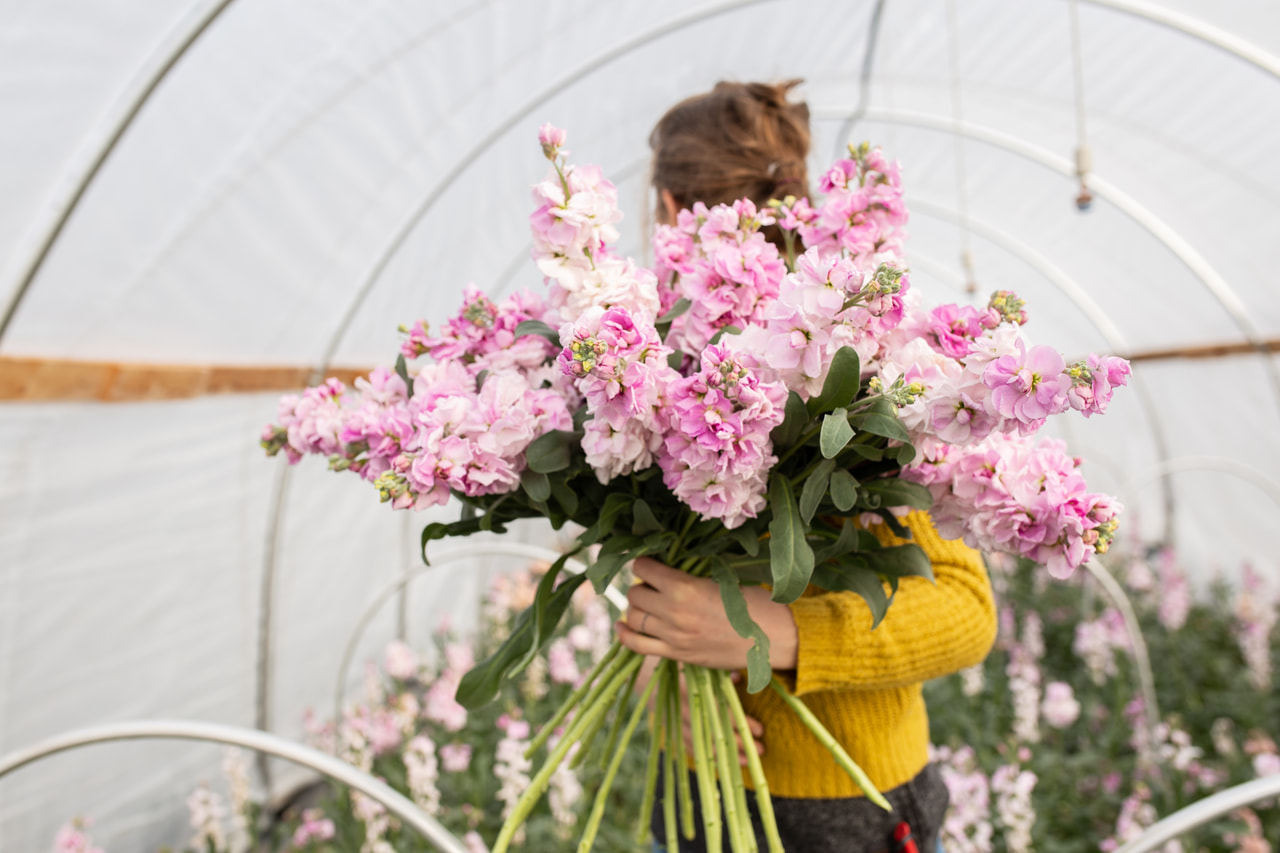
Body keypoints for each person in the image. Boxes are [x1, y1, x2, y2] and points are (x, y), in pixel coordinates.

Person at [613, 80, 999, 853]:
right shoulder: (648, 360)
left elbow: (965, 610)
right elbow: (659, 573)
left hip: (849, 803)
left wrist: (781, 631)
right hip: (696, 789)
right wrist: (672, 681)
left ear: (663, 207)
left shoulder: (869, 360)